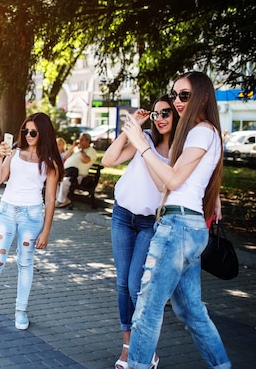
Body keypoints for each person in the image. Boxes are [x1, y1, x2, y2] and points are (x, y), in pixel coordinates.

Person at [121, 71, 230, 369]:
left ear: (203, 96)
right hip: (186, 227)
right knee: (191, 311)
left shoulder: (202, 132)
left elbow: (174, 179)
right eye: (175, 94)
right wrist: (142, 146)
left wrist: (141, 145)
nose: (178, 100)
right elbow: (166, 184)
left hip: (177, 228)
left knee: (146, 309)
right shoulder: (203, 132)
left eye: (185, 95)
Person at [101, 95, 179, 369]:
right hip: (122, 215)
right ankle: (127, 346)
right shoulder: (144, 136)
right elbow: (109, 160)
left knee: (137, 286)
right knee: (123, 283)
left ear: (176, 115)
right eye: (156, 113)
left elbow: (161, 185)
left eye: (166, 113)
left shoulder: (178, 152)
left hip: (149, 223)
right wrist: (131, 128)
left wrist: (142, 145)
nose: (160, 118)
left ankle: (146, 347)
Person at [0, 113, 64, 331]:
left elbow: (50, 200)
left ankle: (20, 311)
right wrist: (0, 157)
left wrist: (46, 231)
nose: (28, 135)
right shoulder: (14, 153)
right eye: (25, 131)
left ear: (44, 134)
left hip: (32, 215)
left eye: (33, 132)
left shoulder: (49, 163)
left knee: (25, 263)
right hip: (6, 212)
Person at [55, 132, 98, 207]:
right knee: (54, 180)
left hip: (79, 175)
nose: (79, 141)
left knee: (65, 181)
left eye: (82, 140)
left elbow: (85, 160)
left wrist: (80, 150)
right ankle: (62, 199)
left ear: (87, 141)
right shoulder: (76, 149)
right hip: (68, 172)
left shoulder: (91, 151)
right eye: (79, 139)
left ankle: (61, 201)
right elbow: (65, 157)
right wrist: (73, 147)